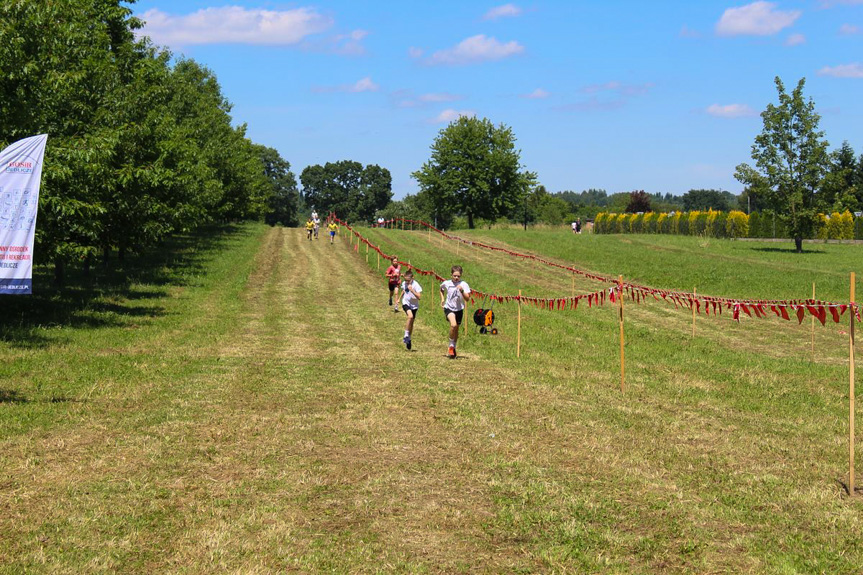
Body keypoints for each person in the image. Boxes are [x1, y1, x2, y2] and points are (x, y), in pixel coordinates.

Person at [439, 265, 470, 359]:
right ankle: (451, 346)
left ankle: (453, 347)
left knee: (456, 329)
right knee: (453, 325)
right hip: (449, 307)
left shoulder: (464, 284)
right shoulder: (447, 283)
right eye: (454, 276)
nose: (456, 278)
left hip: (459, 309)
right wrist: (442, 299)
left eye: (458, 276)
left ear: (461, 275)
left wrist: (462, 290)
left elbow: (467, 299)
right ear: (451, 275)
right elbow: (441, 288)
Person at [400, 269, 422, 350]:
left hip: (414, 306)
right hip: (406, 303)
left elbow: (419, 297)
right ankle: (406, 334)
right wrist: (399, 299)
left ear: (413, 278)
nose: (407, 282)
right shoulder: (404, 283)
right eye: (405, 280)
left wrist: (412, 290)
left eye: (408, 280)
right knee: (410, 316)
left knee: (411, 323)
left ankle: (408, 338)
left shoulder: (416, 285)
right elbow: (403, 290)